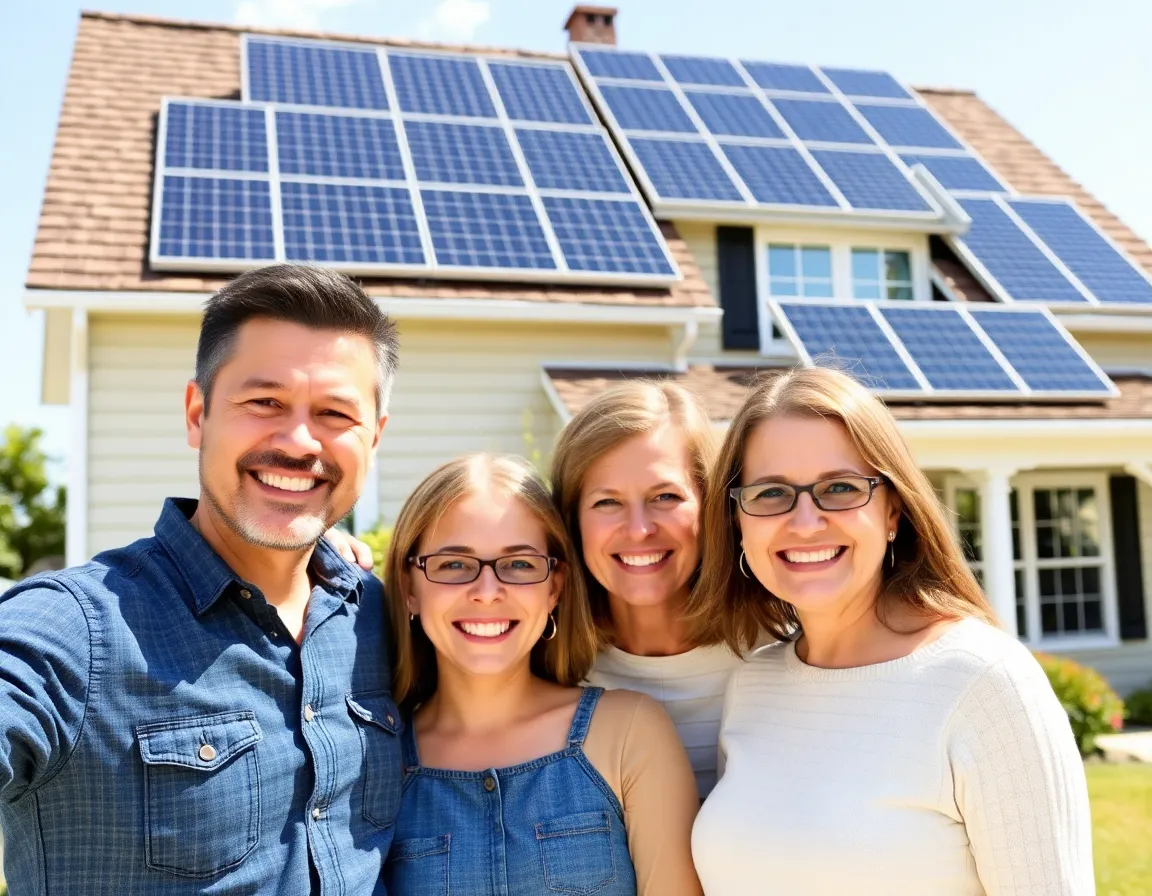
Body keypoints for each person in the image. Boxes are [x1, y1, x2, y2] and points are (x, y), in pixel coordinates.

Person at [0, 265, 401, 894]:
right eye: (264, 402)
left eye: (334, 414)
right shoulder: (77, 629)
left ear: (374, 439)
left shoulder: (383, 618)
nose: (299, 442)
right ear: (198, 413)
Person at [689, 366, 1093, 895]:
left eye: (840, 488)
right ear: (738, 520)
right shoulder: (753, 683)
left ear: (893, 512)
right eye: (770, 494)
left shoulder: (984, 684)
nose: (805, 521)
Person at [382, 453, 702, 896]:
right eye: (453, 564)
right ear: (408, 588)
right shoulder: (379, 762)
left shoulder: (627, 732)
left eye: (519, 564)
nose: (488, 593)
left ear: (555, 587)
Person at [550, 382, 748, 798]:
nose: (639, 529)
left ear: (710, 504)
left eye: (665, 496)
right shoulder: (546, 669)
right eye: (607, 502)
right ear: (572, 521)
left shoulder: (784, 649)